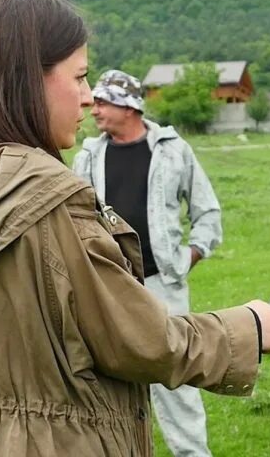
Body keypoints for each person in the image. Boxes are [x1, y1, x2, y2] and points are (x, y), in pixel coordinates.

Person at [0, 0, 270, 456]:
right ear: (29, 80)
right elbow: (142, 343)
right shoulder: (52, 195)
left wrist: (185, 257)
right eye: (79, 77)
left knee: (180, 409)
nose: (90, 99)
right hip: (61, 440)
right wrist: (246, 329)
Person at [73, 69, 219, 457]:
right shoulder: (89, 154)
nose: (94, 108)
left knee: (176, 377)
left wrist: (190, 256)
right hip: (107, 286)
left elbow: (207, 211)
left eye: (103, 102)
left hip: (162, 287)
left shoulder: (172, 149)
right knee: (106, 377)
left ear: (128, 106)